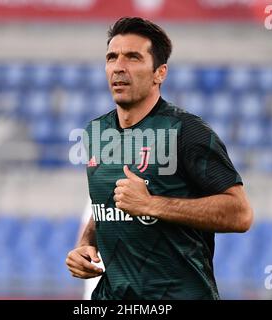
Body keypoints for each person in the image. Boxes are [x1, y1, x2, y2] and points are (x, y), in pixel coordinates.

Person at [66, 16, 253, 300]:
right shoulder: (95, 132)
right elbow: (106, 205)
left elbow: (240, 214)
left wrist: (151, 204)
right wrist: (85, 244)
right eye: (112, 57)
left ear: (159, 73)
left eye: (133, 58)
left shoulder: (187, 131)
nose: (119, 67)